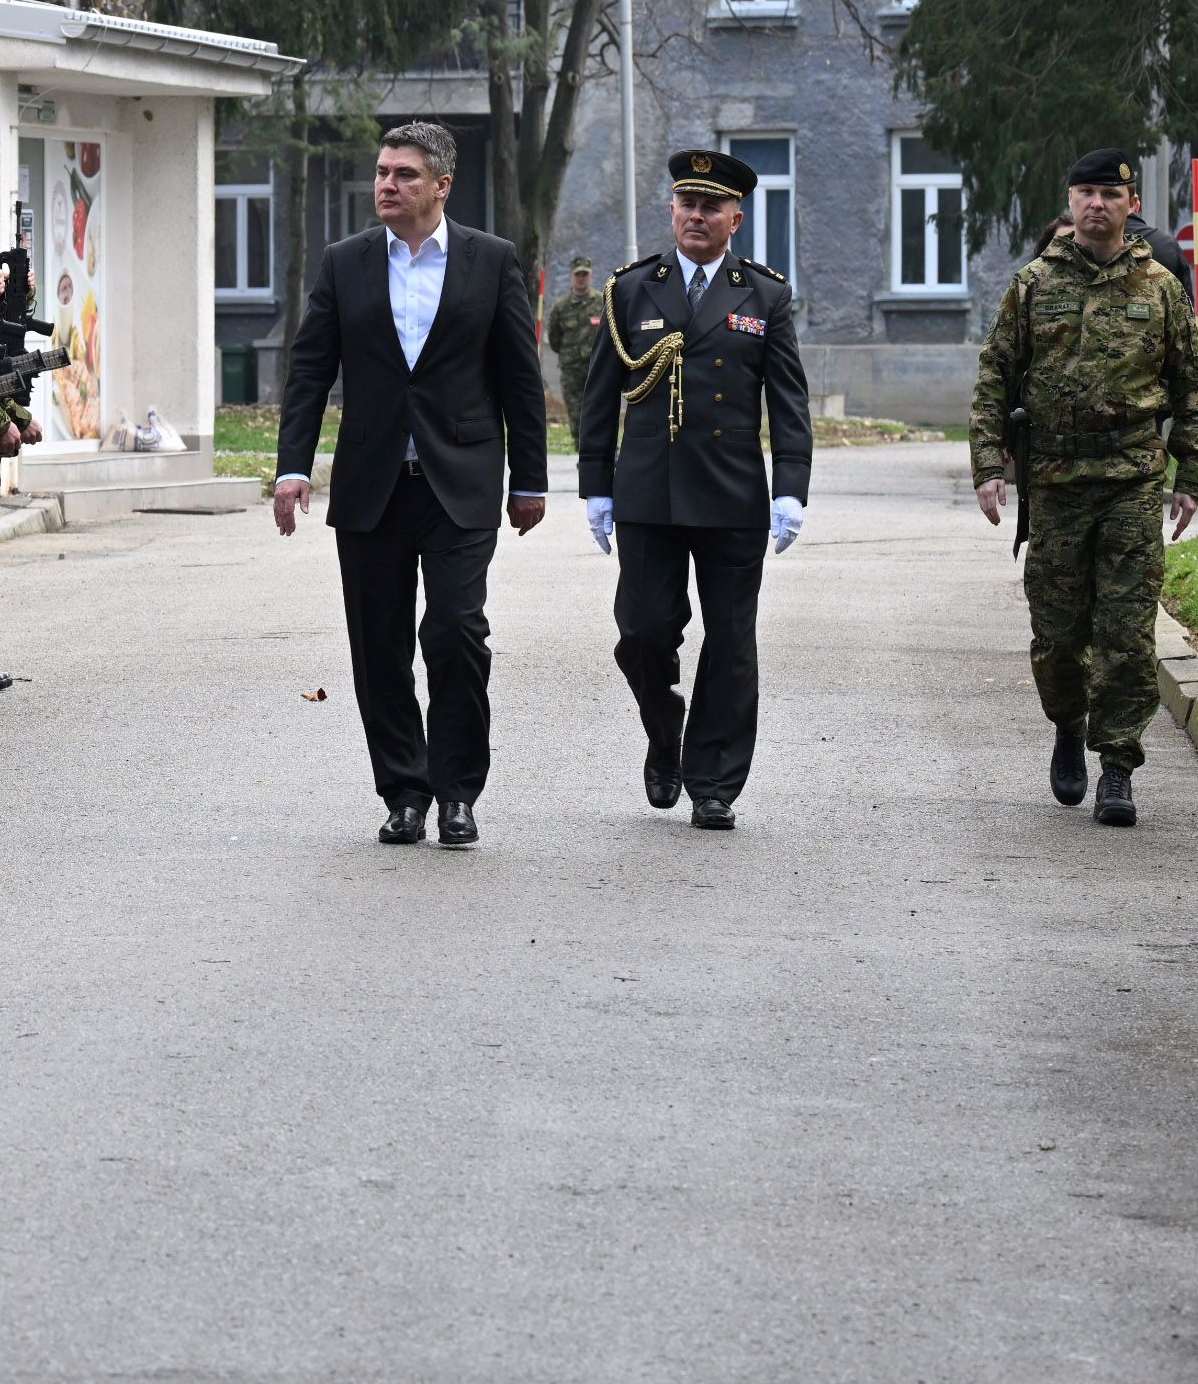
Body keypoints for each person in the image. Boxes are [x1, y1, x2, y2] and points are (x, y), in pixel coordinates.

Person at [272, 122, 549, 848]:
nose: (386, 185)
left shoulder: (491, 260)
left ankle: (457, 793)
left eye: (404, 174)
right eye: (382, 172)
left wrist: (530, 479)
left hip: (460, 481)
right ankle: (404, 791)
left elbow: (520, 378)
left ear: (441, 185)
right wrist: (293, 466)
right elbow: (310, 370)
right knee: (379, 646)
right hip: (373, 484)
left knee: (456, 632)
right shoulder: (346, 262)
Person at [969, 148, 1198, 826]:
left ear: (1131, 204)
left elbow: (1192, 386)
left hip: (1131, 476)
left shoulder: (1160, 287)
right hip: (1054, 481)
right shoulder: (1032, 284)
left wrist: (1190, 476)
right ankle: (1067, 723)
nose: (1096, 204)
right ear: (1070, 201)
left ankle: (1118, 767)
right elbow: (994, 377)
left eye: (1109, 194)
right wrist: (988, 466)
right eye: (1085, 193)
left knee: (1126, 631)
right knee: (1056, 635)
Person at [576, 149, 813, 832]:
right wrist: (595, 485)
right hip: (648, 490)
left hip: (731, 491)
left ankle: (713, 783)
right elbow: (599, 396)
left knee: (731, 641)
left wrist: (790, 487)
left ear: (735, 219)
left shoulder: (763, 294)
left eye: (712, 206)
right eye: (687, 204)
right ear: (672, 210)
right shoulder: (630, 289)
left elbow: (787, 400)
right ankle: (664, 734)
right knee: (643, 633)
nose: (697, 216)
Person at [547, 254, 602, 424]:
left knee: (599, 413)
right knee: (576, 416)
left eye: (585, 274)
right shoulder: (561, 307)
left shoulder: (602, 302)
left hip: (597, 367)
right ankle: (579, 442)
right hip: (571, 371)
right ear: (571, 276)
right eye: (578, 274)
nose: (581, 279)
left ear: (590, 276)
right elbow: (554, 339)